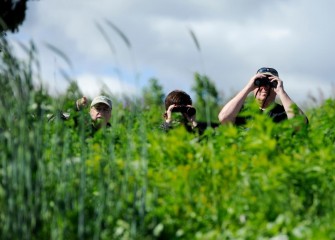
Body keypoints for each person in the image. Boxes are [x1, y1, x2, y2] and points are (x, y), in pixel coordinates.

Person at [218, 67, 308, 126]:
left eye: (270, 83)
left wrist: (281, 92)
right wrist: (248, 87)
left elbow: (301, 124)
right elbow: (224, 118)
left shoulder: (283, 113)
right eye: (261, 83)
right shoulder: (242, 110)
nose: (265, 87)